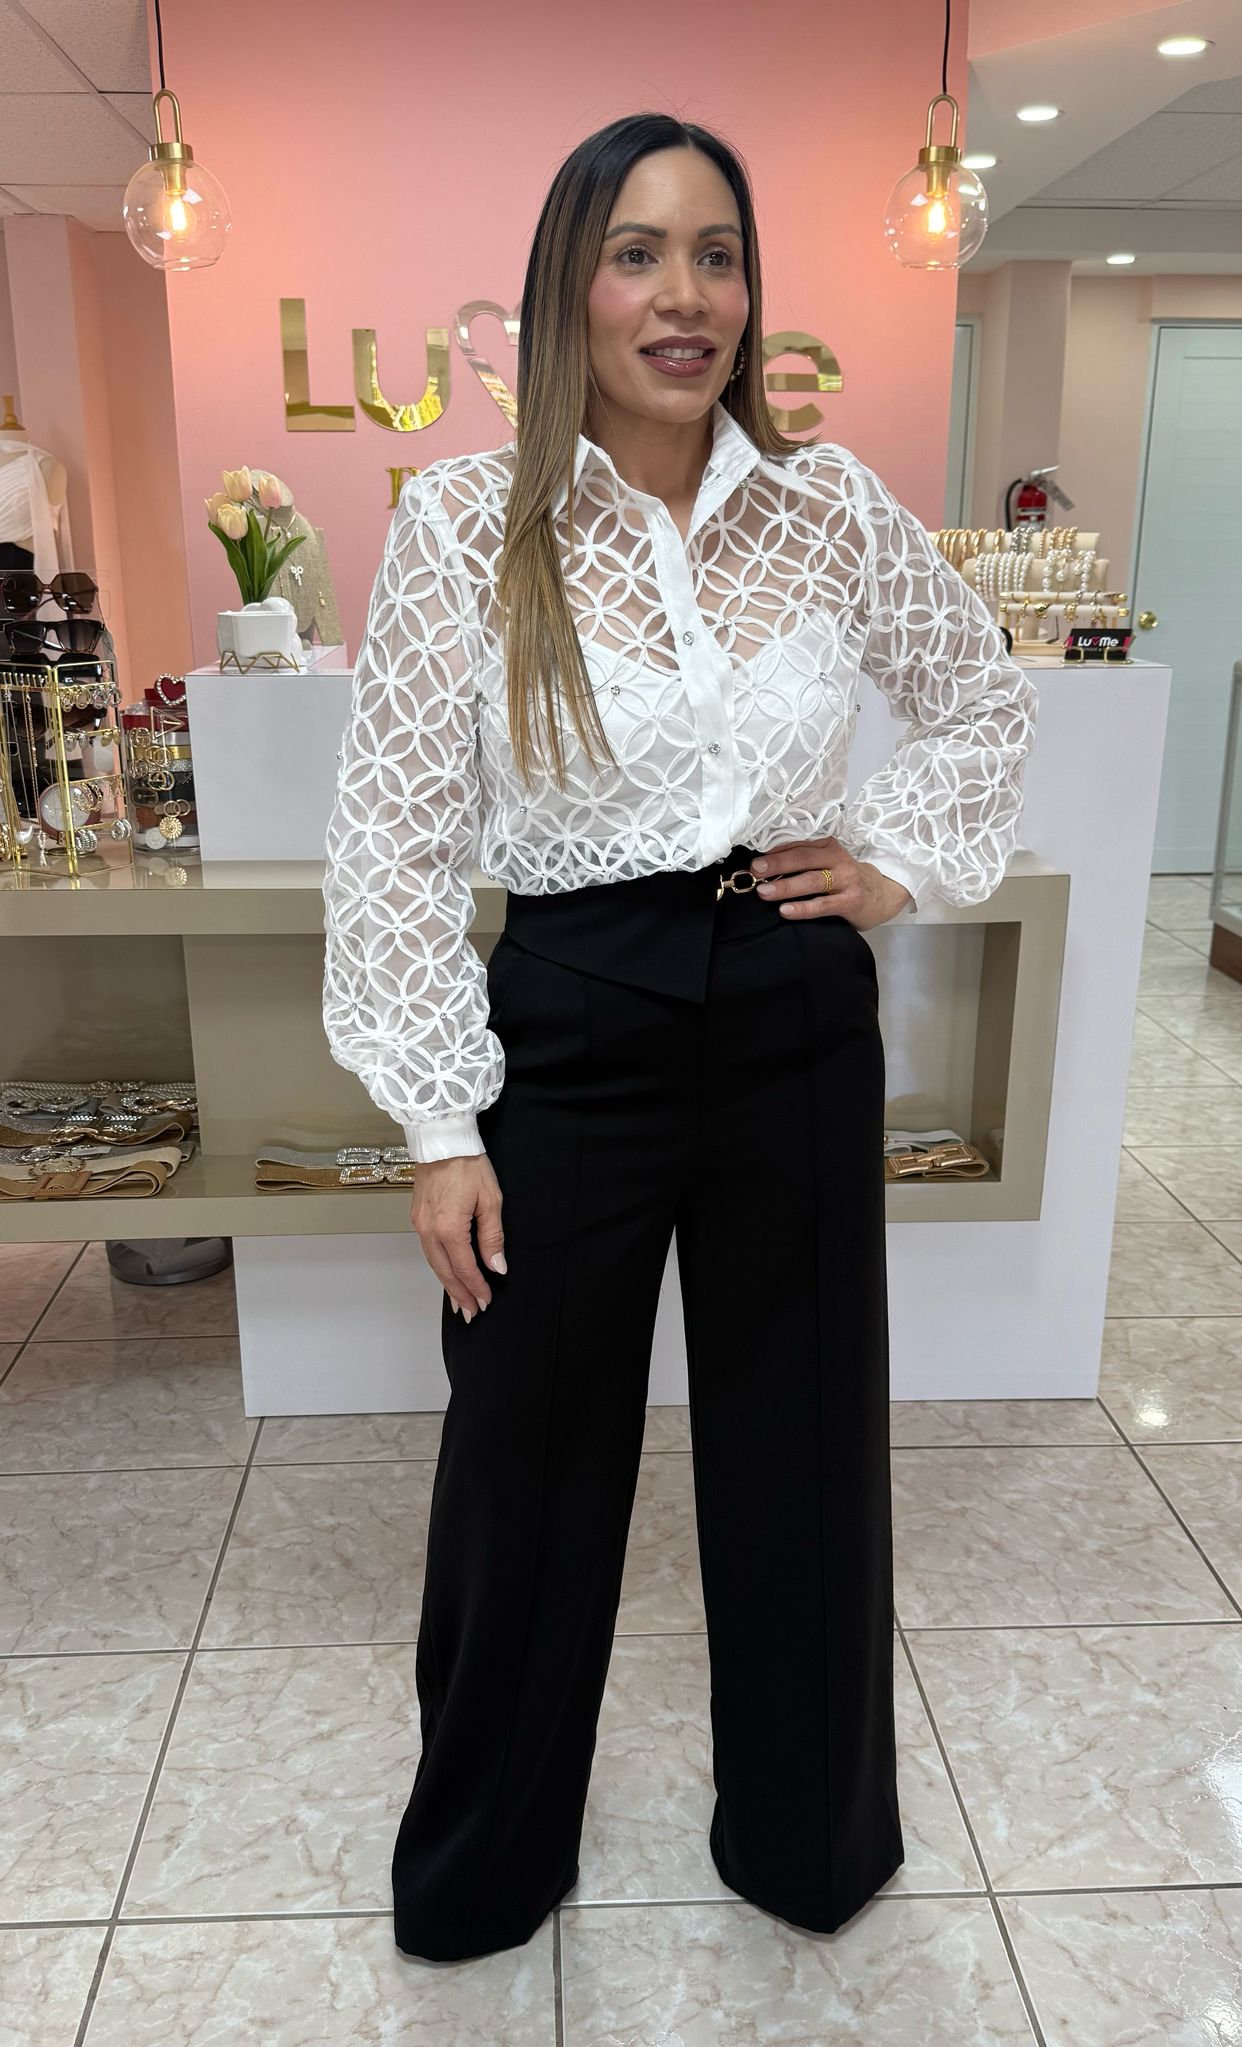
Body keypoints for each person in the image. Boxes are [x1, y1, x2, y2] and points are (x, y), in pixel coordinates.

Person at [321, 110, 1038, 1966]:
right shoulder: (468, 526)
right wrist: (437, 1126)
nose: (683, 294)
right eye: (636, 253)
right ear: (567, 284)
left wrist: (887, 862)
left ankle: (808, 1836)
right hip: (567, 1016)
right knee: (524, 1458)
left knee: (805, 1445)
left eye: (715, 254)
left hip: (787, 1004)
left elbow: (977, 699)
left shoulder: (827, 505)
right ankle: (484, 1861)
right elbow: (394, 841)